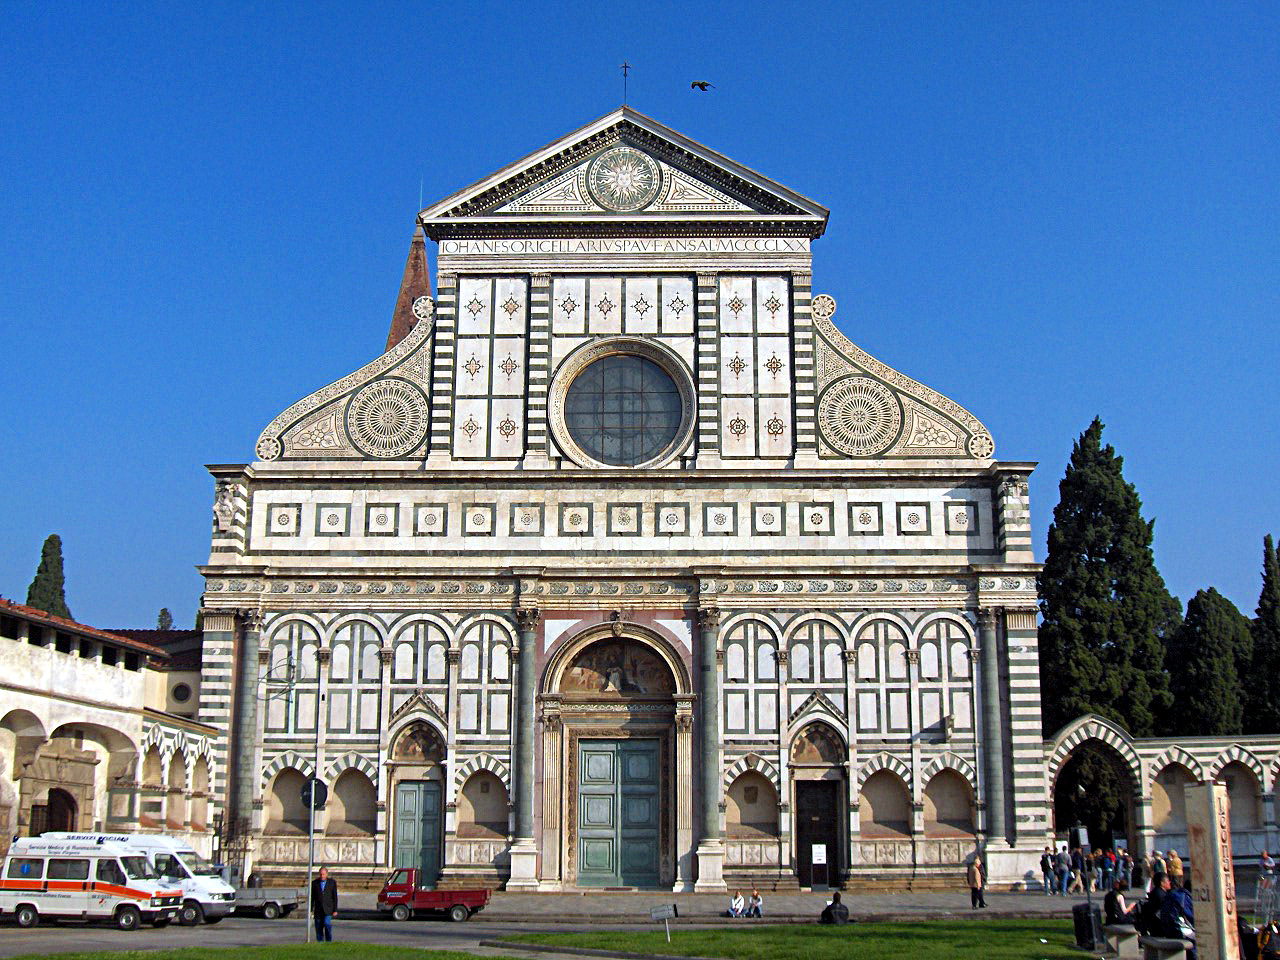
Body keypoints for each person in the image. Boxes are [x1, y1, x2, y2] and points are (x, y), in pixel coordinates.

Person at [1157, 874, 1197, 960]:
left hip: (1167, 930)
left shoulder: (1175, 894)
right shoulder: (1185, 898)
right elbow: (1191, 917)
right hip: (1178, 931)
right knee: (1201, 939)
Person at [311, 865, 338, 942]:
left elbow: (334, 897)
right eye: (321, 874)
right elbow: (312, 897)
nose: (322, 876)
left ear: (327, 874)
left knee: (327, 924)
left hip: (328, 909)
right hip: (318, 909)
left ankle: (328, 940)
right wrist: (311, 908)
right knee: (318, 927)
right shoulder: (315, 883)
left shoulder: (332, 883)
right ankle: (320, 942)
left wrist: (335, 909)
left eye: (323, 874)